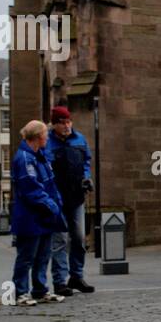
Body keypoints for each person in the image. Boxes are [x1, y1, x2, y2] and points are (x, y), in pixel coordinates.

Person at [11, 120, 68, 306]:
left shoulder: (40, 156)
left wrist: (54, 204)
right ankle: (20, 292)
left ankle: (40, 289)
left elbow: (50, 183)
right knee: (27, 256)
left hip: (44, 215)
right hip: (30, 215)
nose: (47, 138)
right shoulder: (25, 159)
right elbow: (31, 189)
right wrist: (52, 205)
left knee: (43, 255)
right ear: (37, 137)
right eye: (45, 135)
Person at [43, 106, 95, 295]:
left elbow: (86, 162)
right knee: (60, 241)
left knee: (79, 239)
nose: (66, 126)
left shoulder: (79, 139)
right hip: (57, 199)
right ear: (54, 124)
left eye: (68, 121)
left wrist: (87, 177)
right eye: (61, 123)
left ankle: (76, 276)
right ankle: (59, 280)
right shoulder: (47, 142)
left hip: (77, 197)